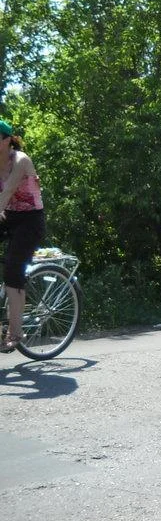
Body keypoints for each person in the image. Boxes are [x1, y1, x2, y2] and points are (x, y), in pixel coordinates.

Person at [0, 121, 46, 353]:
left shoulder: (20, 160)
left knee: (12, 271)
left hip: (30, 220)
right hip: (7, 216)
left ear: (7, 140)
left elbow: (7, 192)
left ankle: (15, 333)